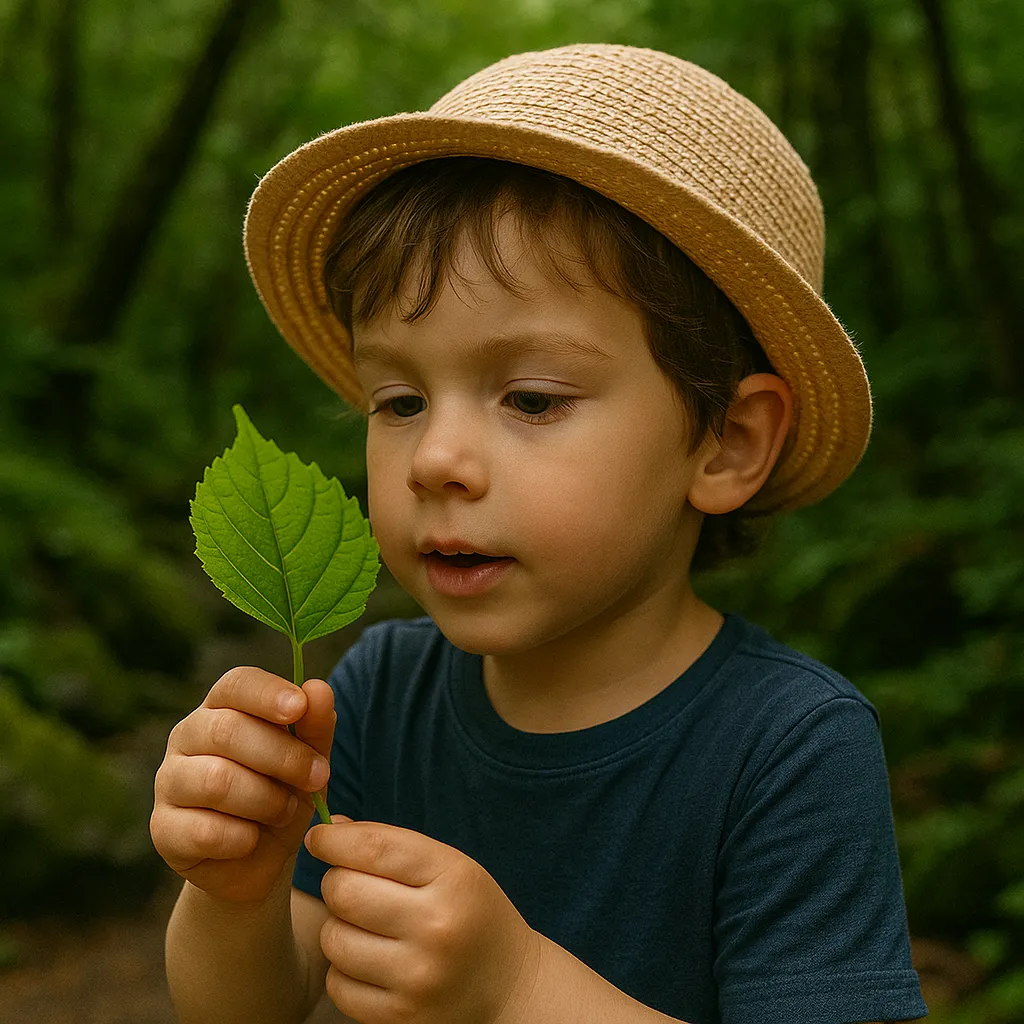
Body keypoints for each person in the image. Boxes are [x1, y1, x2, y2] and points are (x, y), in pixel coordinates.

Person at [150, 44, 928, 1024]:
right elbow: (252, 1007)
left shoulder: (787, 748)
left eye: (530, 396)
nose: (436, 457)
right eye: (397, 399)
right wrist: (233, 890)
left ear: (726, 442)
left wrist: (515, 987)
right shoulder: (378, 696)